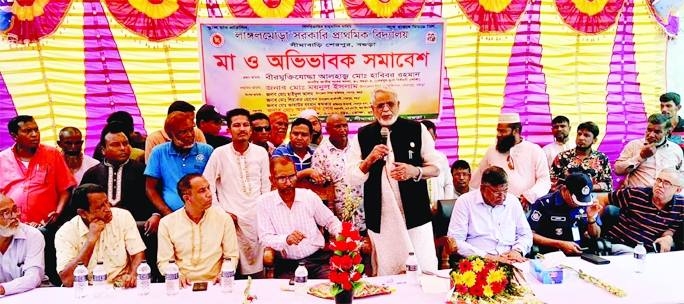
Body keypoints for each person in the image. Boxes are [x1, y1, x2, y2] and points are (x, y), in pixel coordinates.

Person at [345, 87, 440, 276]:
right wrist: (369, 160)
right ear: (372, 109)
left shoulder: (417, 129)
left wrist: (415, 171)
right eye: (380, 105)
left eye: (390, 104)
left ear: (398, 105)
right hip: (382, 217)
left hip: (415, 216)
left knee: (424, 268)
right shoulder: (363, 135)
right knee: (388, 272)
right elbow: (351, 177)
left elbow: (436, 168)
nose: (386, 109)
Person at [80, 122, 162, 280]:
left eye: (125, 143)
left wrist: (156, 214)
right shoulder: (92, 174)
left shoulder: (142, 170)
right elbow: (80, 204)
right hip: (102, 228)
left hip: (140, 227)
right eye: (116, 145)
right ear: (103, 150)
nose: (123, 148)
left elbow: (156, 196)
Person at [203, 108, 270, 277]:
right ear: (229, 129)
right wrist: (221, 212)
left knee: (258, 271)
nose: (242, 129)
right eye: (237, 125)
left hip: (257, 219)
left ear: (250, 129)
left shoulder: (260, 153)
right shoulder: (219, 153)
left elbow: (266, 186)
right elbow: (207, 184)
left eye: (246, 125)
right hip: (230, 220)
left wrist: (264, 213)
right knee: (231, 268)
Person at [257, 157, 342, 279]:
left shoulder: (308, 196)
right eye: (282, 178)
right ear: (272, 180)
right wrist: (286, 239)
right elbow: (265, 238)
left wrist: (344, 238)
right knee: (286, 295)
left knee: (333, 288)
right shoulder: (264, 202)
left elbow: (330, 222)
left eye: (291, 176)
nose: (288, 183)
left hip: (317, 260)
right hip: (288, 265)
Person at [55, 184, 146, 288]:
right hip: (87, 289)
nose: (108, 209)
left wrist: (132, 276)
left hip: (121, 287)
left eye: (107, 202)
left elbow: (138, 254)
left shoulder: (122, 217)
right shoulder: (65, 233)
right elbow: (68, 280)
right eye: (100, 206)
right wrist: (91, 241)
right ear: (83, 213)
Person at [157, 174, 239, 287]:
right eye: (202, 191)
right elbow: (164, 261)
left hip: (216, 283)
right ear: (187, 198)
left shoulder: (224, 219)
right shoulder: (167, 223)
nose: (209, 194)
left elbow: (231, 256)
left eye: (208, 188)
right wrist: (177, 276)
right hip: (182, 285)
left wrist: (224, 274)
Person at [0, 115, 76, 226]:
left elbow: (65, 189)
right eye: (28, 131)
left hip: (45, 225)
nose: (35, 134)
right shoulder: (2, 159)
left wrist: (58, 212)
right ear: (14, 136)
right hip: (10, 227)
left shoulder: (52, 154)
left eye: (36, 129)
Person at [447, 166, 532, 263]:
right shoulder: (465, 201)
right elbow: (456, 240)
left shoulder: (512, 201)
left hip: (510, 259)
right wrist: (488, 257)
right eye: (496, 192)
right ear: (482, 189)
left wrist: (517, 250)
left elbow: (526, 234)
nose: (502, 197)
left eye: (505, 190)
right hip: (478, 261)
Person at [470, 113, 550, 210]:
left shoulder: (534, 150)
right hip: (496, 207)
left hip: (525, 207)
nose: (498, 135)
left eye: (502, 131)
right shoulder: (492, 151)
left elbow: (544, 180)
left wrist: (529, 196)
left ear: (515, 131)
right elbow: (479, 176)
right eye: (498, 131)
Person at [594, 169, 684, 254]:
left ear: (678, 190)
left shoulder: (680, 206)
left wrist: (667, 237)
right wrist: (594, 226)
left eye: (666, 183)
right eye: (658, 180)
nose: (660, 185)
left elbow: (670, 229)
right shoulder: (635, 194)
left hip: (649, 251)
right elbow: (602, 199)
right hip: (620, 245)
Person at [145, 112, 214, 215]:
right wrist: (167, 214)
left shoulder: (207, 151)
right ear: (171, 135)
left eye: (191, 130)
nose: (190, 135)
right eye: (183, 132)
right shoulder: (159, 152)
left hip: (205, 213)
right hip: (172, 214)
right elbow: (150, 188)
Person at [312, 114, 366, 231]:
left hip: (365, 209)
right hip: (338, 215)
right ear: (327, 130)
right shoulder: (321, 153)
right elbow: (320, 187)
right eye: (337, 126)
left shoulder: (358, 148)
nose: (343, 130)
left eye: (344, 125)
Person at [528, 173, 602, 255]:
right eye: (576, 199)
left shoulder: (589, 203)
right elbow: (530, 234)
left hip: (583, 253)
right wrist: (560, 244)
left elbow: (596, 236)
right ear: (564, 190)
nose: (579, 204)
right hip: (552, 254)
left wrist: (591, 218)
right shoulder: (544, 204)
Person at [614, 113, 684, 188]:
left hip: (665, 197)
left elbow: (681, 177)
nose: (651, 135)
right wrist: (641, 156)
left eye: (657, 132)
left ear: (667, 132)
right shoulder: (633, 146)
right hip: (637, 196)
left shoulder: (676, 150)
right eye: (649, 130)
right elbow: (618, 170)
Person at [0, 194, 45, 296]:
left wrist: (3, 289)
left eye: (15, 209)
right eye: (5, 213)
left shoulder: (33, 236)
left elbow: (33, 277)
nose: (14, 216)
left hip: (28, 296)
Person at [549, 121, 612, 192]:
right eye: (579, 134)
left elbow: (608, 185)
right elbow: (552, 181)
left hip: (593, 198)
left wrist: (587, 188)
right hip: (567, 197)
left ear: (594, 140)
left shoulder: (601, 158)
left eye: (586, 135)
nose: (581, 138)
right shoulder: (562, 157)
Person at [273, 118, 327, 184]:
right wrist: (307, 172)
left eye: (304, 135)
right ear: (290, 135)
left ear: (311, 137)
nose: (299, 138)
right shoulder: (280, 152)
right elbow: (280, 179)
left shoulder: (315, 154)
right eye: (295, 134)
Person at [421, 120, 455, 211]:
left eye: (429, 137)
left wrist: (445, 206)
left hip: (439, 210)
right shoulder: (413, 158)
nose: (426, 141)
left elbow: (448, 184)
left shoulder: (441, 158)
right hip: (420, 210)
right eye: (424, 138)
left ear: (435, 137)